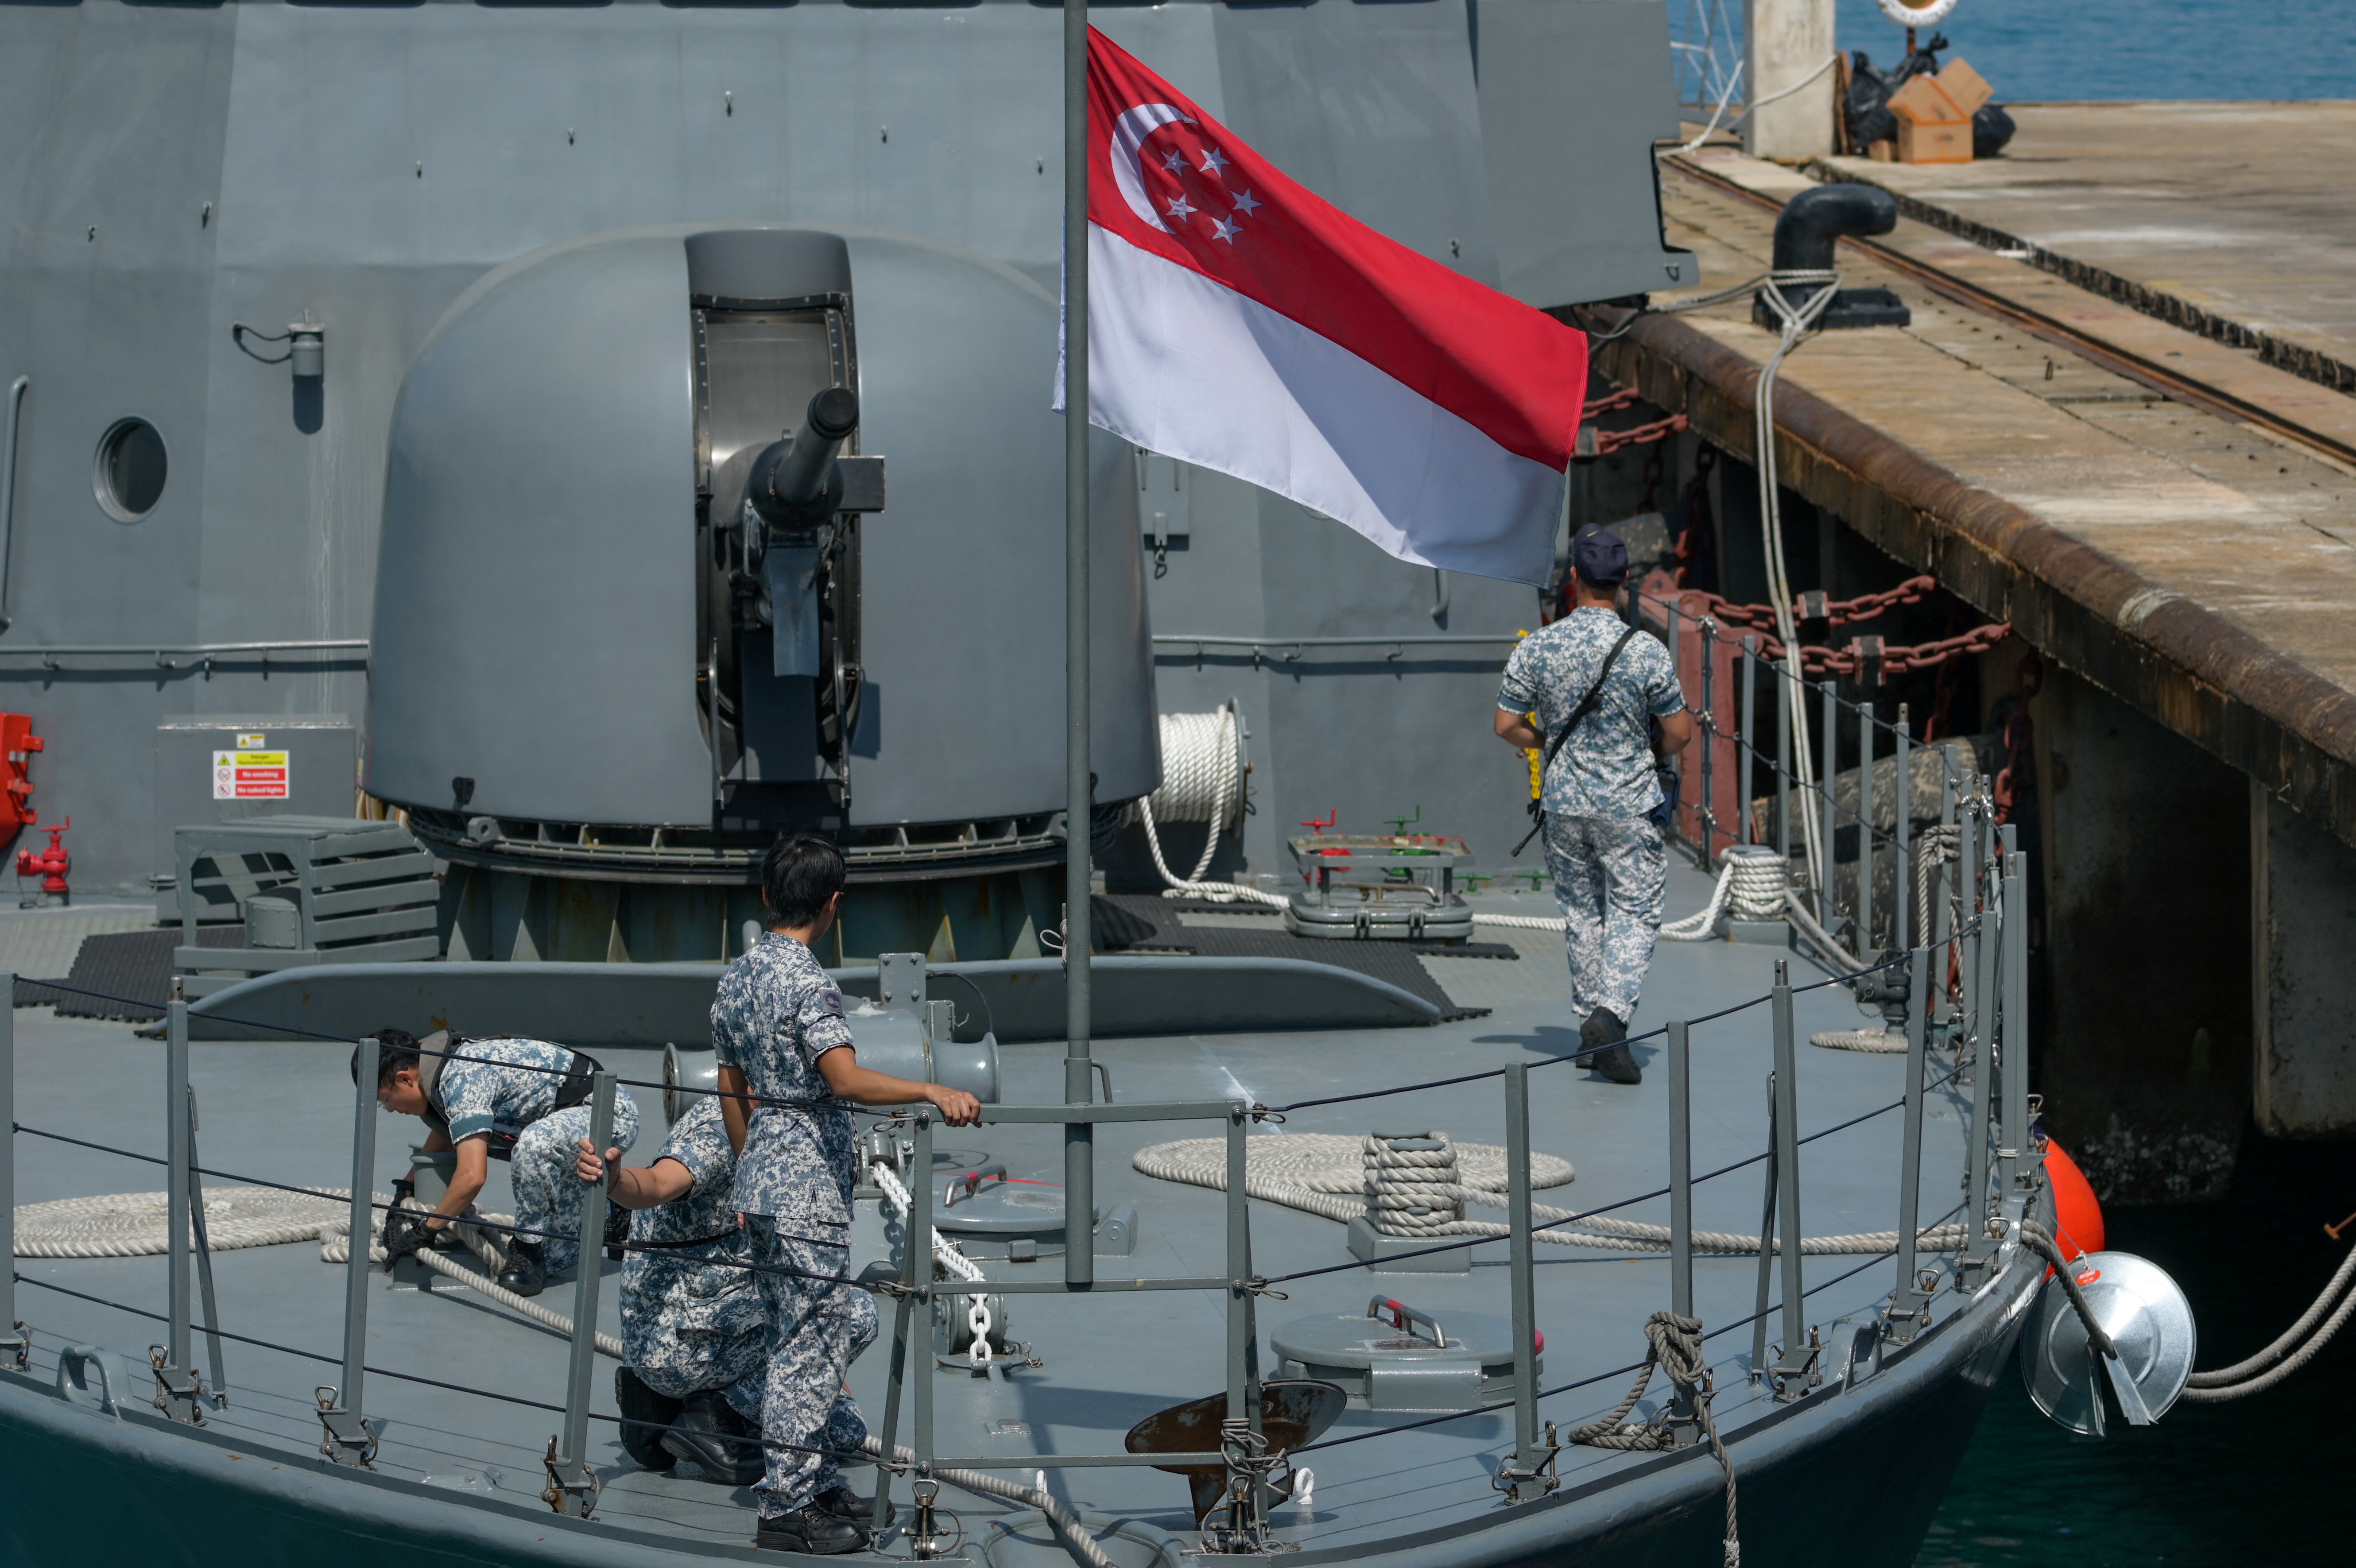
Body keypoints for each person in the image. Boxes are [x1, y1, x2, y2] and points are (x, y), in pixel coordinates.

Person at [713, 832, 982, 1555]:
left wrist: (750, 1171)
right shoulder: (807, 982)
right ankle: (788, 1507)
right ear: (832, 904)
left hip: (767, 1180)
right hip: (807, 1191)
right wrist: (932, 1087)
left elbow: (729, 1083)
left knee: (796, 1340)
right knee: (812, 1347)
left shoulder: (737, 977)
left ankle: (819, 1483)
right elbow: (845, 1078)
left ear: (770, 896)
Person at [1494, 526, 1693, 1084]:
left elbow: (1506, 724)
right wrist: (1647, 750)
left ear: (1574, 579)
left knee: (1583, 915)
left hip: (1562, 804)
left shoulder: (1537, 646)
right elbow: (1680, 732)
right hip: (1628, 804)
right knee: (1634, 912)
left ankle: (1589, 1034)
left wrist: (1547, 744)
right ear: (1624, 580)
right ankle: (1611, 1017)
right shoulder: (1645, 651)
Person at [574, 1094, 852, 1492]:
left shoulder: (757, 1118)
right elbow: (658, 1183)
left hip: (703, 1321)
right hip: (683, 1341)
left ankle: (661, 1406)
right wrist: (615, 1181)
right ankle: (710, 1413)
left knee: (847, 1432)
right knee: (855, 1312)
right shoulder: (722, 1132)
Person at [360, 1029, 638, 1296]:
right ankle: (610, 1214)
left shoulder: (461, 1077)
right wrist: (407, 1188)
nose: (392, 1110)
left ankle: (528, 1251)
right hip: (564, 1122)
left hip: (604, 1112)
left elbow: (472, 1176)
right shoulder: (441, 1071)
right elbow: (450, 1131)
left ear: (405, 1079)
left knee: (533, 1146)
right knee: (556, 1255)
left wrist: (426, 1230)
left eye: (386, 1100)